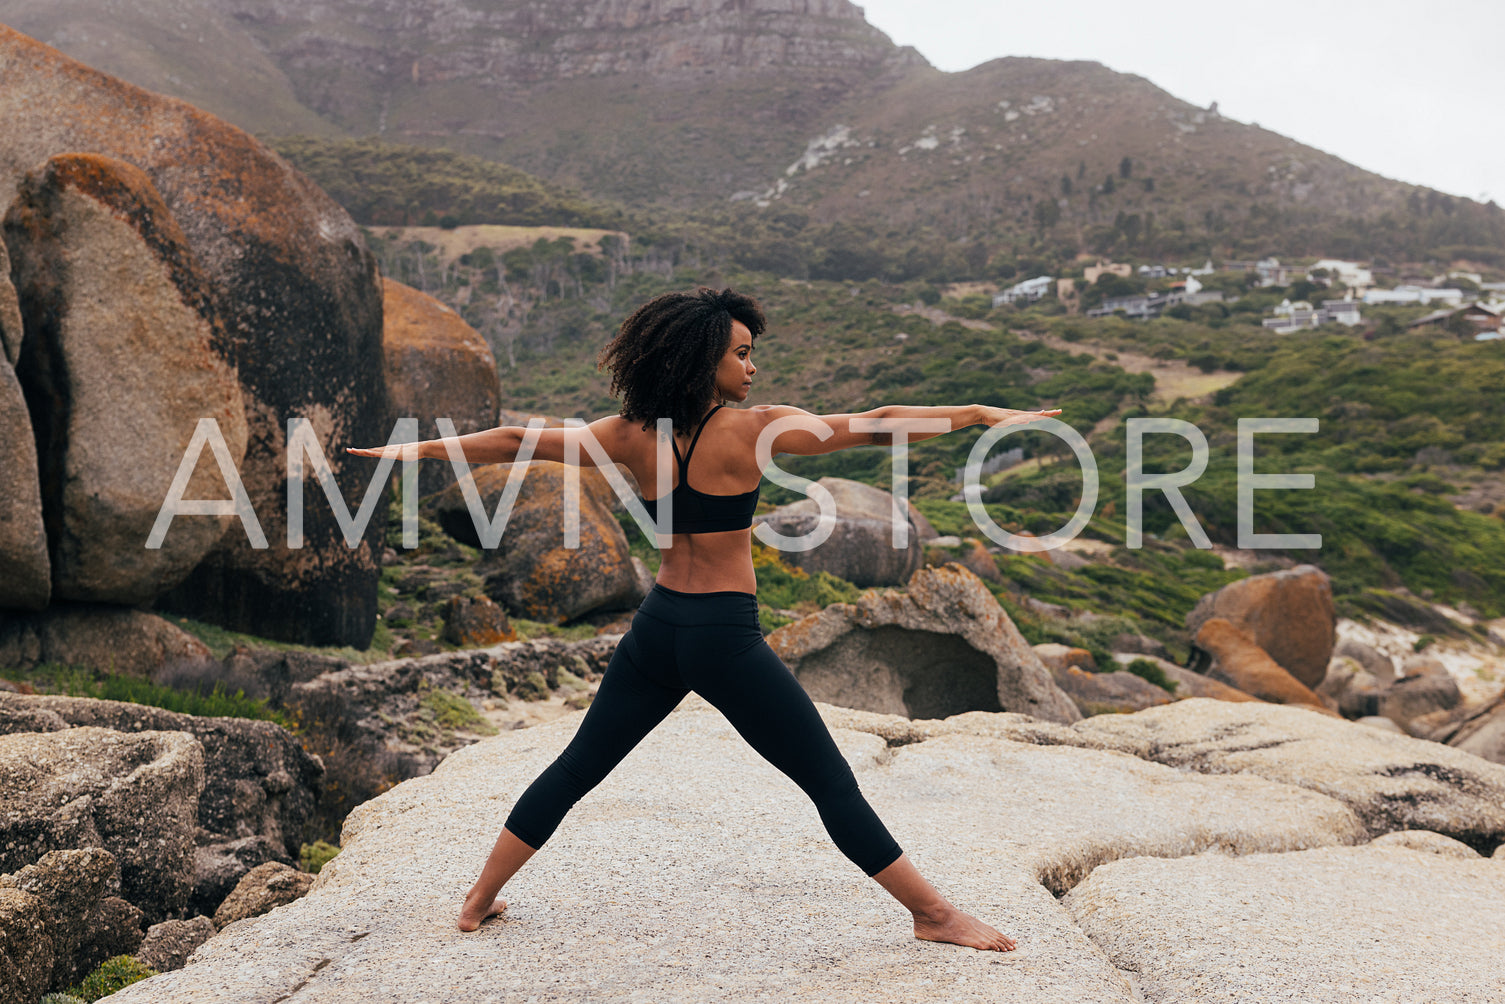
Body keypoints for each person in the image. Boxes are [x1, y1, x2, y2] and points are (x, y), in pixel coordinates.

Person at [347, 287, 1060, 953]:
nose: (752, 367)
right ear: (702, 361)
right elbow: (873, 427)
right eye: (740, 353)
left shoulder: (628, 436)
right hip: (723, 638)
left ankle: (476, 901)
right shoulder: (755, 431)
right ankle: (932, 915)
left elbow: (507, 440)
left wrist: (406, 453)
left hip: (658, 631)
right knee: (828, 782)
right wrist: (977, 415)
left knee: (576, 768)